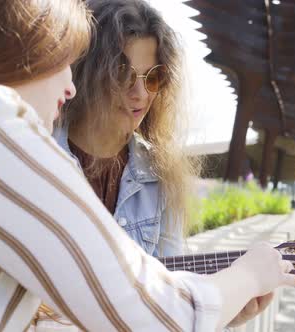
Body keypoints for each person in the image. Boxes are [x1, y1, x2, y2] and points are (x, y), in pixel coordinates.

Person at [0, 1, 295, 331]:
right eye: (59, 56)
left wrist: (213, 306)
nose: (71, 85)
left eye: (153, 78)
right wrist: (250, 274)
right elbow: (152, 312)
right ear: (16, 45)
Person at [54, 0, 195, 258]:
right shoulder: (38, 152)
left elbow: (174, 282)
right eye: (121, 74)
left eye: (152, 77)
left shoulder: (162, 176)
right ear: (87, 73)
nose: (140, 94)